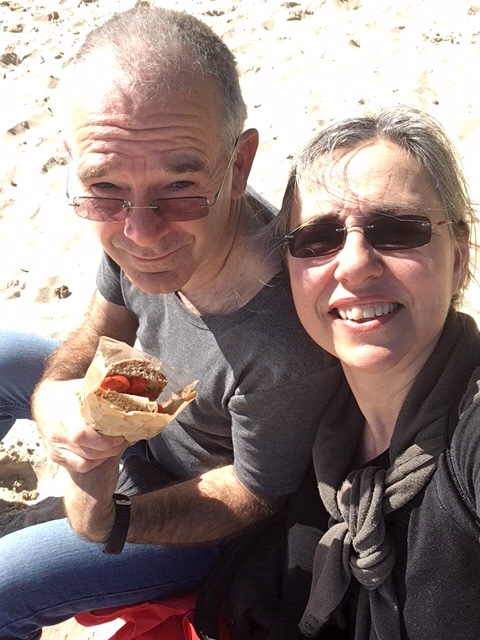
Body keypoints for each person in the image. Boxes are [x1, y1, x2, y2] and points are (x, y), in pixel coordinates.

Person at [0, 4, 341, 639]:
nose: (140, 232)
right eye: (104, 187)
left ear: (238, 166)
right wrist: (53, 397)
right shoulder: (130, 209)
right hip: (138, 413)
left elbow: (251, 495)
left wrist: (110, 518)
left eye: (179, 186)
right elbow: (103, 330)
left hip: (195, 517)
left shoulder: (287, 337)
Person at [268, 105, 480, 638]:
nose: (355, 264)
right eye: (317, 239)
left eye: (397, 229)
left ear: (459, 258)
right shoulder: (307, 429)